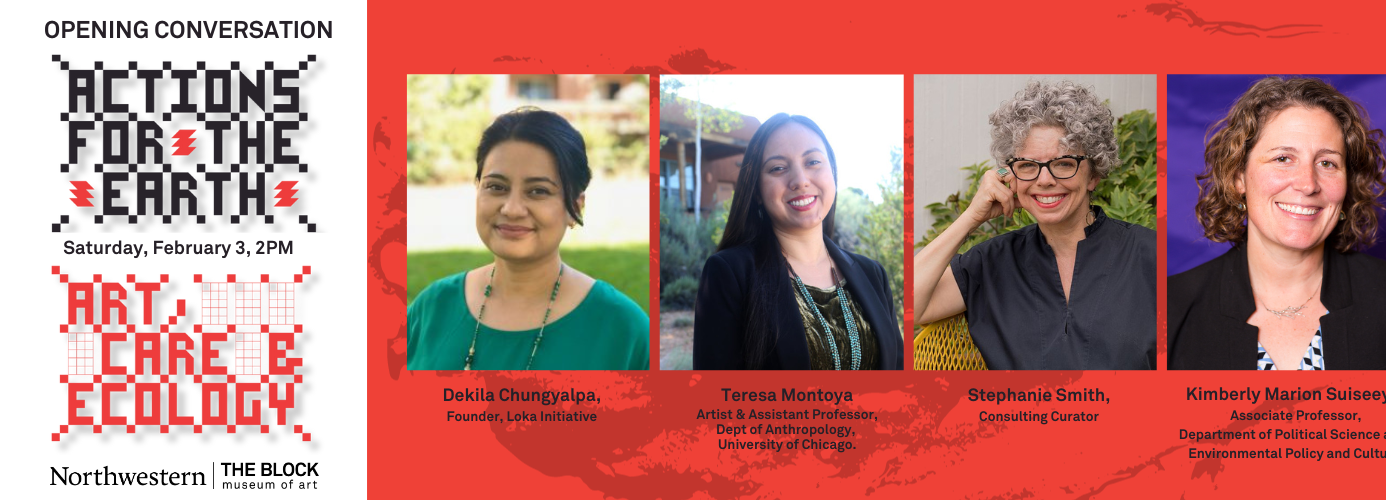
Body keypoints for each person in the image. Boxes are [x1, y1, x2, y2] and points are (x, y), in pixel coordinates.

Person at [1168, 77, 1386, 370]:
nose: (1308, 184)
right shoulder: (1169, 308)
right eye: (1283, 158)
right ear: (1238, 177)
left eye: (1327, 163)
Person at [913, 81, 1156, 370]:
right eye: (1028, 165)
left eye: (1064, 163)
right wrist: (971, 217)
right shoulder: (992, 262)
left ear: (1094, 175)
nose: (1044, 180)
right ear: (1010, 176)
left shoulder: (1150, 255)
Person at [406, 108, 649, 370]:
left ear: (575, 208)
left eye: (538, 191)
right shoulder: (431, 309)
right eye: (496, 187)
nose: (511, 209)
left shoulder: (624, 329)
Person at [692, 114, 903, 370]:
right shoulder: (729, 274)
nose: (800, 180)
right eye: (778, 168)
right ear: (757, 191)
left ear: (833, 173)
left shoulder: (873, 274)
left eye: (813, 162)